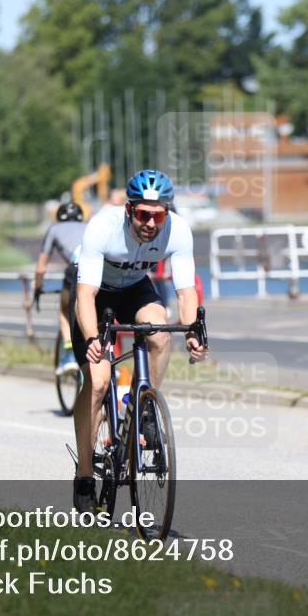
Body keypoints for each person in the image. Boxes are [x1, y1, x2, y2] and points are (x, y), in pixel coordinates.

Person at [70, 169, 208, 512]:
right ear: (129, 209)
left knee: (159, 330)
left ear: (166, 212)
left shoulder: (177, 230)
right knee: (98, 382)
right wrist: (91, 338)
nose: (150, 223)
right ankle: (84, 475)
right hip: (96, 290)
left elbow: (186, 291)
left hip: (133, 287)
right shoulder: (103, 227)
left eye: (157, 215)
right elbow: (85, 295)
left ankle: (144, 404)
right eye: (143, 214)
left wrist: (192, 332)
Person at [33, 202, 87, 375]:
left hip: (76, 270)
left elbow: (41, 268)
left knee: (64, 311)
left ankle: (70, 355)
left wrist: (37, 287)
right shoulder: (89, 226)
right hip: (99, 270)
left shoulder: (54, 229)